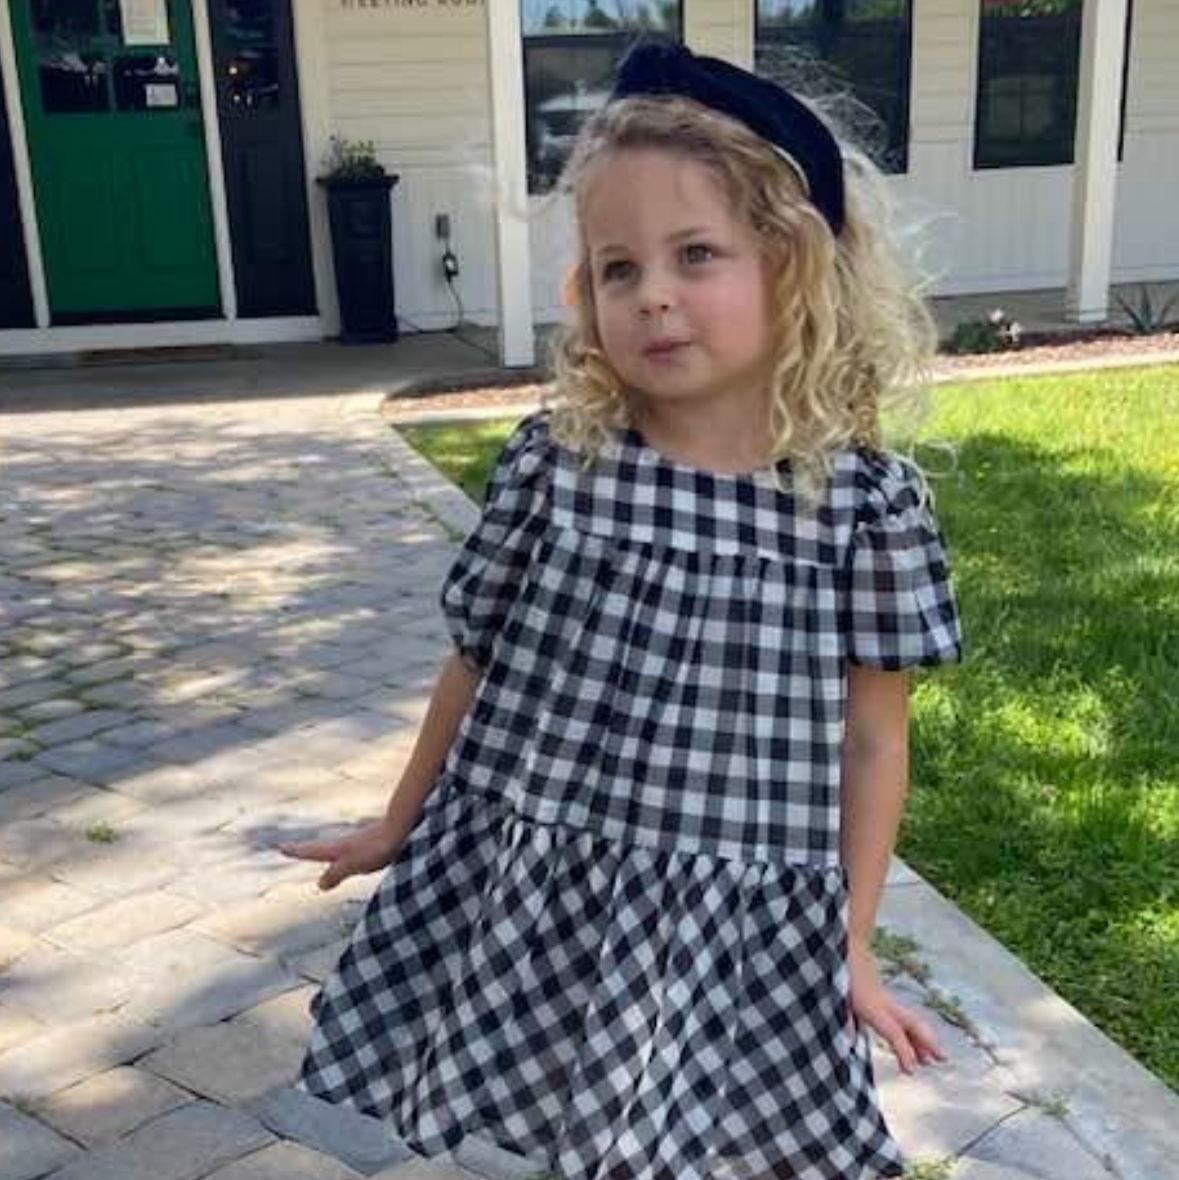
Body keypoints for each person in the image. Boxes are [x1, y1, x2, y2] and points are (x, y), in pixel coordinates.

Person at [279, 36, 964, 1180]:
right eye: (616, 267)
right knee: (576, 1120)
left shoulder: (857, 506)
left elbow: (874, 738)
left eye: (696, 254)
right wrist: (399, 821)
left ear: (795, 264)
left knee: (691, 1139)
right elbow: (476, 659)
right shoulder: (560, 466)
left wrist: (850, 942)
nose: (653, 295)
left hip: (725, 908)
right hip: (549, 879)